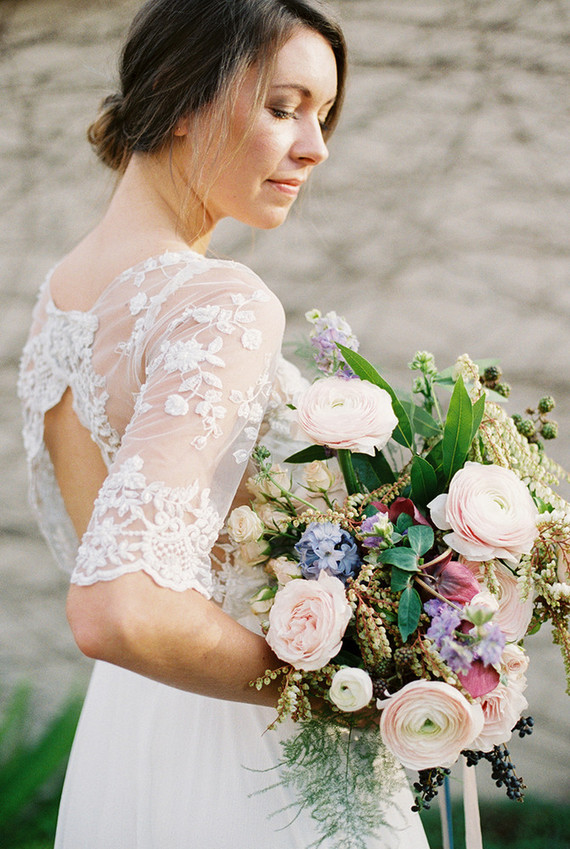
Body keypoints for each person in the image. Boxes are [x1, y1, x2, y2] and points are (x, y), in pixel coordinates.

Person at [18, 1, 429, 846]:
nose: (316, 147)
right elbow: (115, 607)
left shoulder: (63, 295)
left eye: (323, 115)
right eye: (284, 108)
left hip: (131, 735)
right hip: (250, 762)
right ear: (179, 93)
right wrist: (344, 682)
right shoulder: (220, 300)